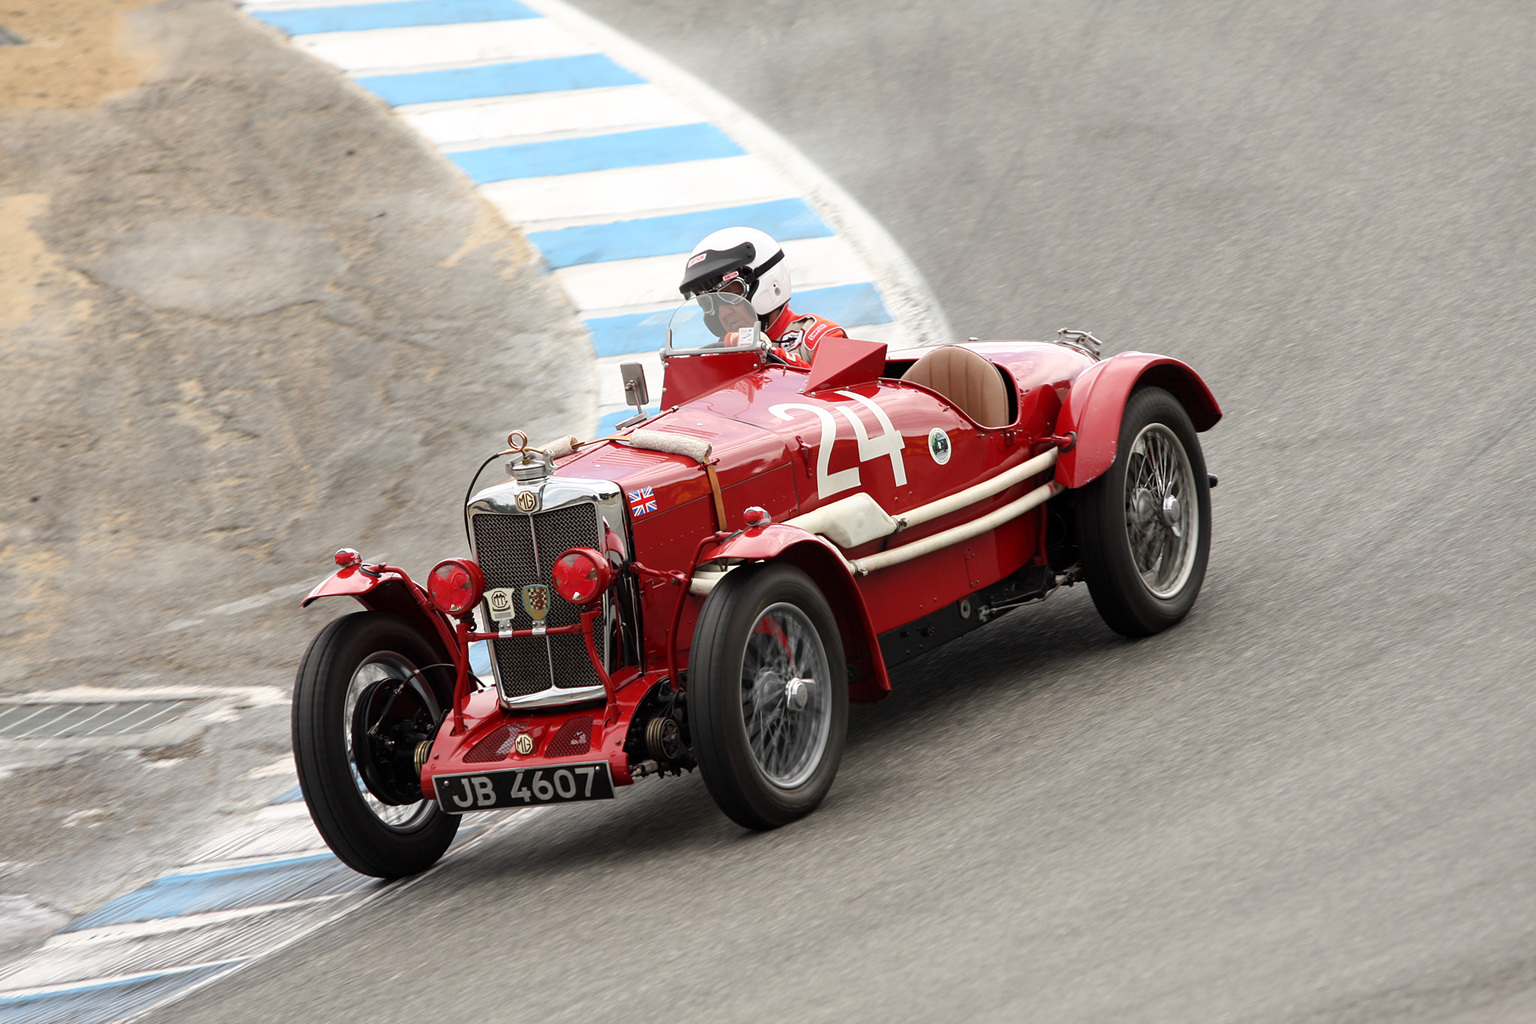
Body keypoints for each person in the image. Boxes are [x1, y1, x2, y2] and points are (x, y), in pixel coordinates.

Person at [678, 226, 846, 366]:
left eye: (730, 295)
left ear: (767, 283)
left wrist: (768, 352)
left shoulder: (819, 335)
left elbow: (837, 394)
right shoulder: (717, 355)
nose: (723, 313)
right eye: (709, 303)